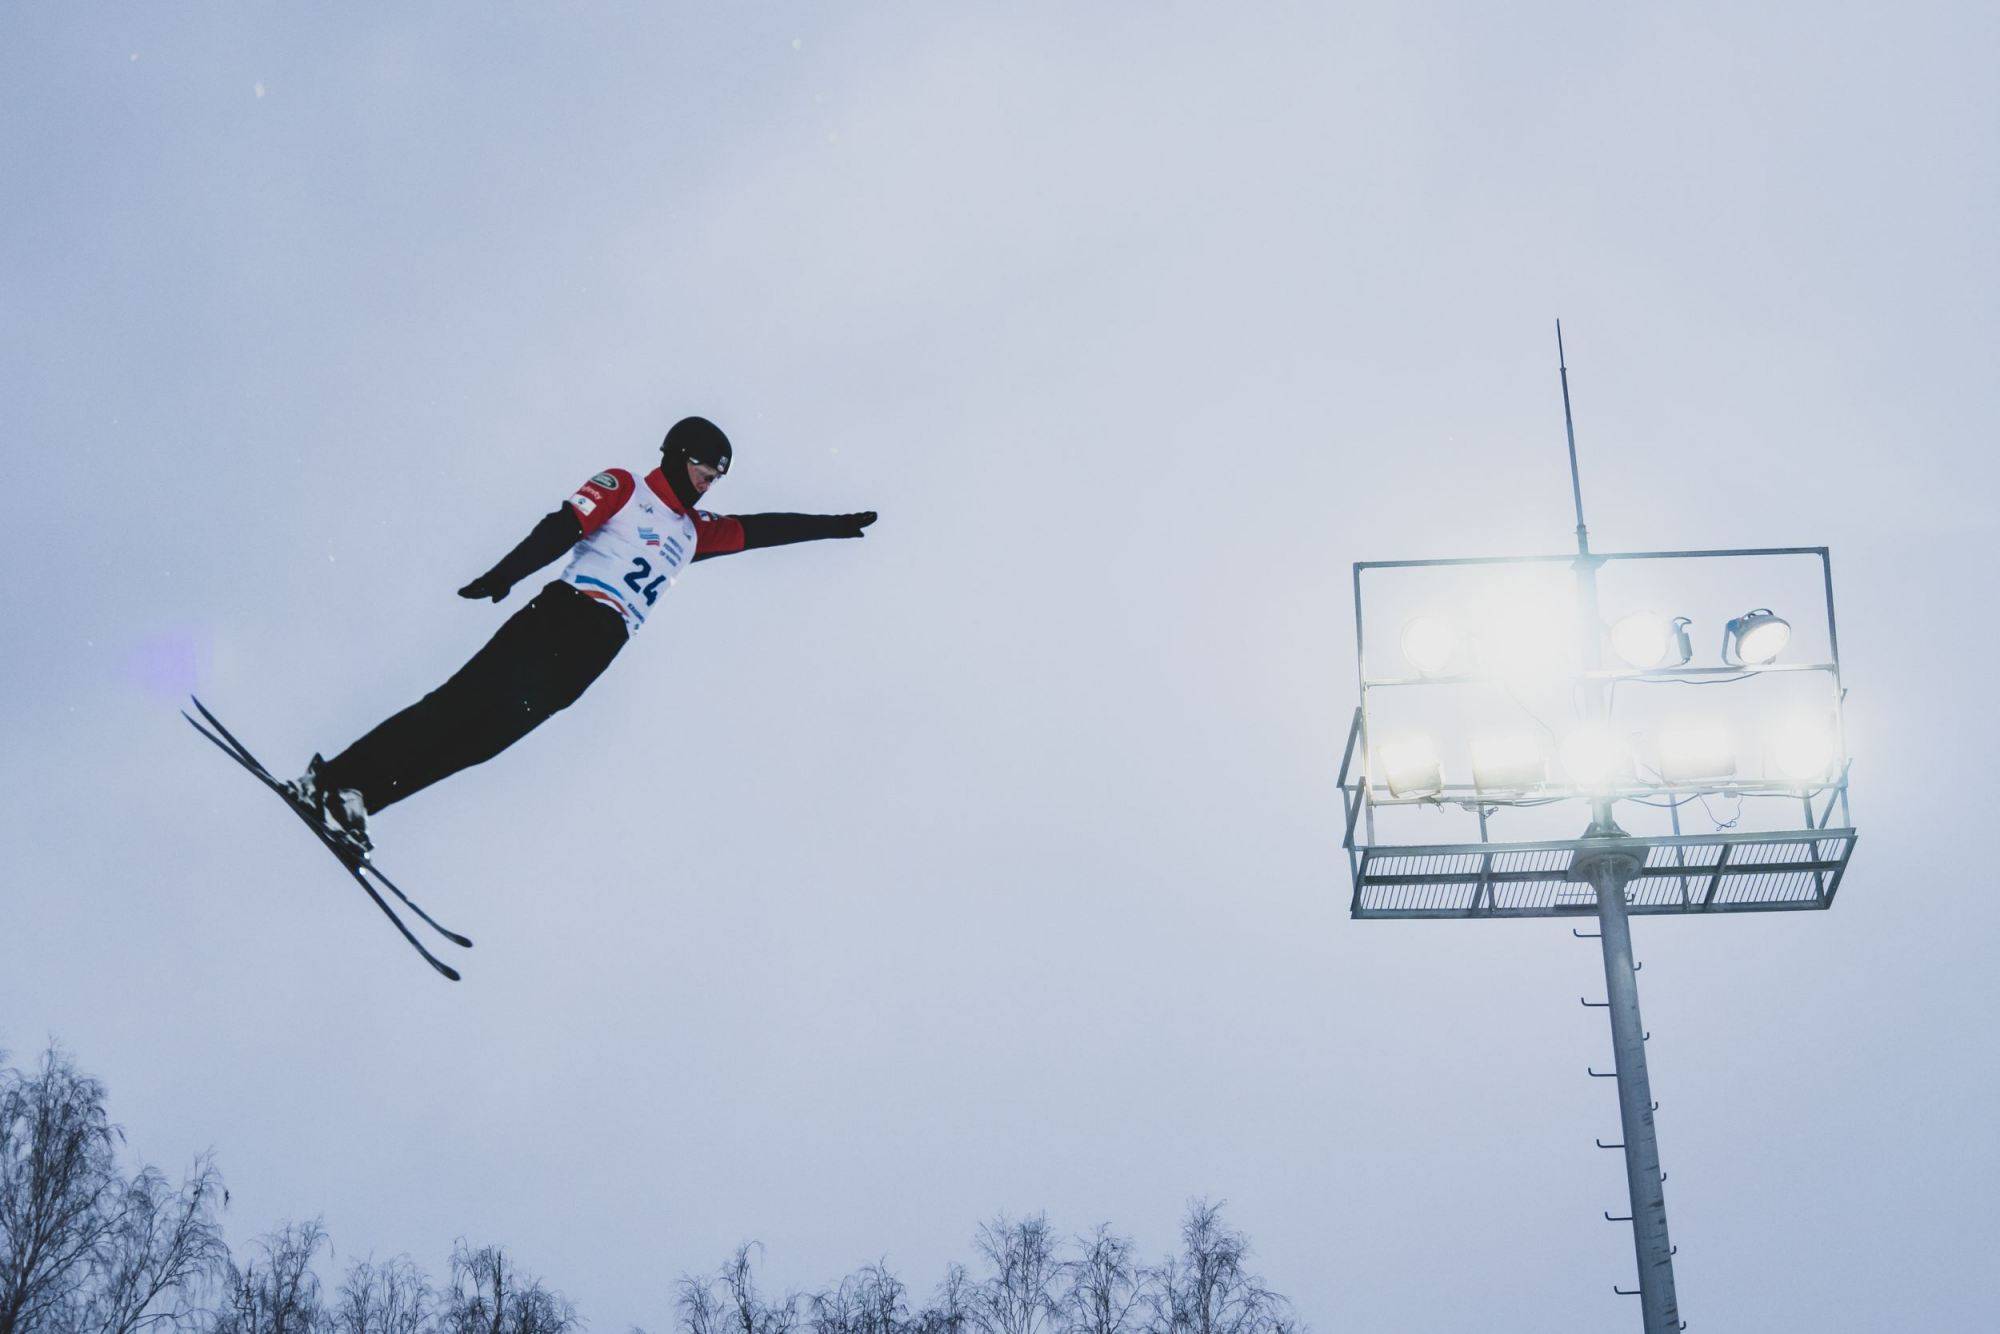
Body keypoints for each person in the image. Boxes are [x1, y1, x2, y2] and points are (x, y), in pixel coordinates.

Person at [287, 416, 875, 850]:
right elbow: (562, 526)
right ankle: (331, 776)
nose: (709, 482)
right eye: (704, 467)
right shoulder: (627, 487)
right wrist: (505, 575)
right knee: (457, 706)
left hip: (598, 649)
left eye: (718, 475)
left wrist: (835, 526)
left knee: (484, 741)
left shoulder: (695, 532)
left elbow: (762, 529)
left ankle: (356, 801)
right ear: (678, 454)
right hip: (562, 616)